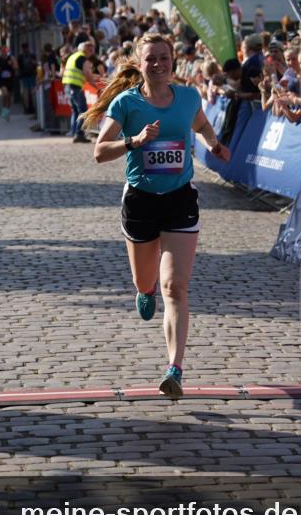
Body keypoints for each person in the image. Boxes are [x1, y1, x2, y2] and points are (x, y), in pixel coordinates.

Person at [85, 34, 230, 399]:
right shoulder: (126, 103)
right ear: (140, 63)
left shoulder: (188, 97)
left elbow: (200, 125)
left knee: (175, 288)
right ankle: (144, 290)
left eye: (164, 58)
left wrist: (213, 144)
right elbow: (100, 151)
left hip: (180, 199)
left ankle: (174, 369)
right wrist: (134, 141)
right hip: (141, 202)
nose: (159, 64)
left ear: (173, 61)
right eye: (151, 58)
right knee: (146, 282)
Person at [61, 40, 100, 143]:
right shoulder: (83, 59)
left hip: (68, 86)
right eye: (90, 49)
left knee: (75, 111)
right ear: (84, 49)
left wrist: (94, 76)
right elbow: (87, 74)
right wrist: (96, 87)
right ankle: (79, 134)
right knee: (83, 111)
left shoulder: (73, 56)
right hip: (75, 87)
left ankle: (74, 133)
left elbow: (81, 72)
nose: (92, 51)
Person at [0, 46, 17, 120]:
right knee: (5, 94)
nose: (3, 52)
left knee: (9, 97)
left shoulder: (11, 58)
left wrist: (12, 64)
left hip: (10, 80)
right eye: (2, 51)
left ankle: (7, 111)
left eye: (5, 51)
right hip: (2, 80)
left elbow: (16, 67)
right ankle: (4, 109)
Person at [17, 42, 38, 115]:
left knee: (25, 92)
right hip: (31, 75)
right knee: (32, 92)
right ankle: (34, 108)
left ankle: (27, 108)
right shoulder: (32, 55)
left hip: (24, 76)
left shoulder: (20, 57)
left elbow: (18, 67)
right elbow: (35, 64)